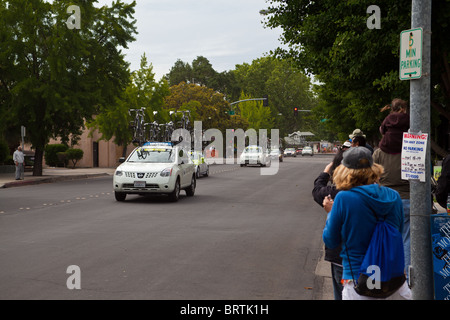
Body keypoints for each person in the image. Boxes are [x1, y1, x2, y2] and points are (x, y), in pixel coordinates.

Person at [322, 147, 411, 300]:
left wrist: (331, 212)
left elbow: (331, 240)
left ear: (345, 171)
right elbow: (399, 231)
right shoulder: (394, 196)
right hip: (392, 280)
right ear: (374, 168)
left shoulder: (344, 198)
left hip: (359, 280)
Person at [373, 98, 411, 271]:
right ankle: (407, 279)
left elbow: (371, 179)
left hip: (385, 201)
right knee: (408, 239)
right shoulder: (413, 148)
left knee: (386, 239)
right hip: (409, 198)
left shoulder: (379, 152)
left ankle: (387, 275)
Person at [312, 145, 348, 299]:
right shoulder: (386, 195)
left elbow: (330, 238)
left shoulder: (337, 196)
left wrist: (331, 214)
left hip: (345, 261)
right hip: (377, 260)